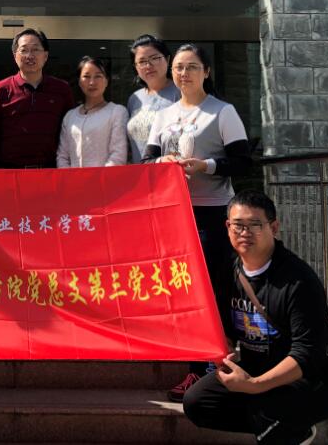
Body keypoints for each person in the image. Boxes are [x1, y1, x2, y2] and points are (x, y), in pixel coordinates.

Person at [182, 190, 328, 445]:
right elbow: (225, 328)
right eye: (238, 225)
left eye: (255, 225)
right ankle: (291, 428)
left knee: (268, 410)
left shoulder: (298, 281)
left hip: (313, 378)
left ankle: (288, 429)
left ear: (274, 227)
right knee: (198, 403)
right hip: (258, 366)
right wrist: (224, 349)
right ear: (227, 228)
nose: (245, 233)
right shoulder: (229, 271)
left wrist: (254, 384)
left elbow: (306, 354)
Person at [142, 43, 252, 401]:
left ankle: (206, 368)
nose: (183, 74)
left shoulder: (222, 112)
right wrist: (162, 164)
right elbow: (146, 162)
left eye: (191, 67)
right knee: (180, 289)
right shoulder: (164, 114)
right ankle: (195, 361)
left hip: (211, 213)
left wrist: (207, 166)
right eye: (178, 67)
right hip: (173, 214)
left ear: (206, 72)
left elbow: (243, 161)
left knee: (210, 290)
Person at [0, 28, 75, 168]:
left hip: (50, 172)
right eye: (24, 50)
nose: (30, 56)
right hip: (10, 172)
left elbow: (69, 135)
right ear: (15, 56)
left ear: (45, 56)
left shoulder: (62, 90)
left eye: (35, 50)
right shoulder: (1, 90)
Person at [57, 56, 129, 168]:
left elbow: (118, 155)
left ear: (106, 81)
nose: (92, 82)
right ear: (79, 82)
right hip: (72, 178)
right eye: (86, 76)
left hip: (105, 178)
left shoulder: (117, 112)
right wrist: (69, 177)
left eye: (98, 76)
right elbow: (62, 156)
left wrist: (99, 178)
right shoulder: (70, 116)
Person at [126, 34, 179, 164]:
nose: (148, 65)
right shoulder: (135, 98)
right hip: (140, 172)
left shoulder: (181, 92)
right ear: (135, 66)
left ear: (167, 59)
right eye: (142, 61)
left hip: (171, 170)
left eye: (155, 58)